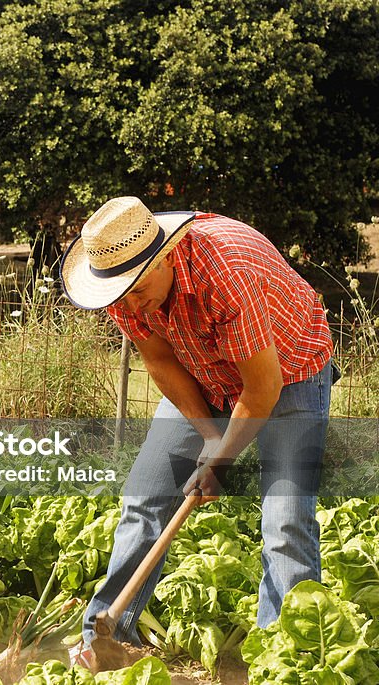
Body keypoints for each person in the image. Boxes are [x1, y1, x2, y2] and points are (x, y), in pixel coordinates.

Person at [58, 196, 336, 667]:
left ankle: (286, 658)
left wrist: (221, 462)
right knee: (144, 497)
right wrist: (210, 436)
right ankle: (103, 640)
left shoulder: (225, 275)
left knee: (285, 519)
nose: (130, 303)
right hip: (203, 374)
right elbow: (161, 360)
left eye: (137, 289)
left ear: (165, 254)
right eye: (120, 294)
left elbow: (262, 389)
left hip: (290, 374)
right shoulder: (124, 287)